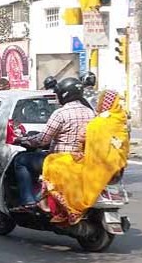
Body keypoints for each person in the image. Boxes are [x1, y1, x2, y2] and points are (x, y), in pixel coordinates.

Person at [37, 89, 130, 224]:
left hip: (96, 165)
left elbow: (83, 139)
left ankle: (60, 206)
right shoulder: (120, 120)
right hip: (115, 168)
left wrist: (79, 150)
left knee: (52, 162)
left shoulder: (99, 121)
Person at [11, 77, 96, 211]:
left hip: (60, 160)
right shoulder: (91, 112)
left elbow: (43, 139)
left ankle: (28, 201)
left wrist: (22, 140)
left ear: (64, 94)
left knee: (21, 160)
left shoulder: (61, 113)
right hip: (81, 161)